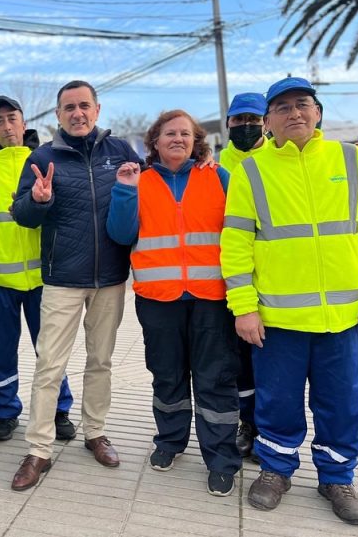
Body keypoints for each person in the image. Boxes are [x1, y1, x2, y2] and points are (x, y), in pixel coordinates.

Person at [221, 77, 358, 525]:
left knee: (341, 401)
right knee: (276, 401)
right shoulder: (252, 171)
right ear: (269, 121)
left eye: (303, 104)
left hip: (342, 317)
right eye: (282, 108)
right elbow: (236, 243)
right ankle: (276, 471)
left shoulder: (352, 160)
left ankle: (337, 478)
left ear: (317, 112)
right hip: (278, 318)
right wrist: (244, 306)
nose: (294, 113)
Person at [10, 80, 142, 491]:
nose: (78, 113)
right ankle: (38, 449)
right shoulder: (43, 156)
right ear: (58, 115)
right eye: (69, 107)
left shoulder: (119, 151)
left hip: (111, 279)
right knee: (50, 365)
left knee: (100, 361)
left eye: (84, 105)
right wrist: (40, 199)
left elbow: (152, 187)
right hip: (63, 278)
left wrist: (204, 159)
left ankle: (94, 432)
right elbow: (22, 214)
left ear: (98, 110)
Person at [107, 110, 241, 496]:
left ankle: (221, 459)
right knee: (167, 376)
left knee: (215, 380)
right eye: (169, 133)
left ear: (196, 139)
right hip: (158, 299)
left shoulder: (218, 177)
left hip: (212, 299)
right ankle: (169, 442)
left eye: (185, 133)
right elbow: (120, 234)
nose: (177, 139)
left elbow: (240, 232)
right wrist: (125, 190)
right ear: (155, 141)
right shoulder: (140, 180)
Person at [0, 95, 75, 442]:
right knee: (1, 351)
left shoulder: (46, 159)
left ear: (23, 122)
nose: (6, 125)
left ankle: (59, 411)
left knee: (50, 349)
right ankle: (5, 412)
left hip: (45, 277)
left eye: (11, 118)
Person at [218, 92, 269, 459]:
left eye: (253, 119)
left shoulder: (277, 161)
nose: (246, 126)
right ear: (228, 124)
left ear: (266, 121)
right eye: (239, 120)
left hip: (274, 285)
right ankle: (246, 424)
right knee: (239, 365)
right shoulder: (214, 166)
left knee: (271, 362)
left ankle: (269, 429)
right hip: (229, 284)